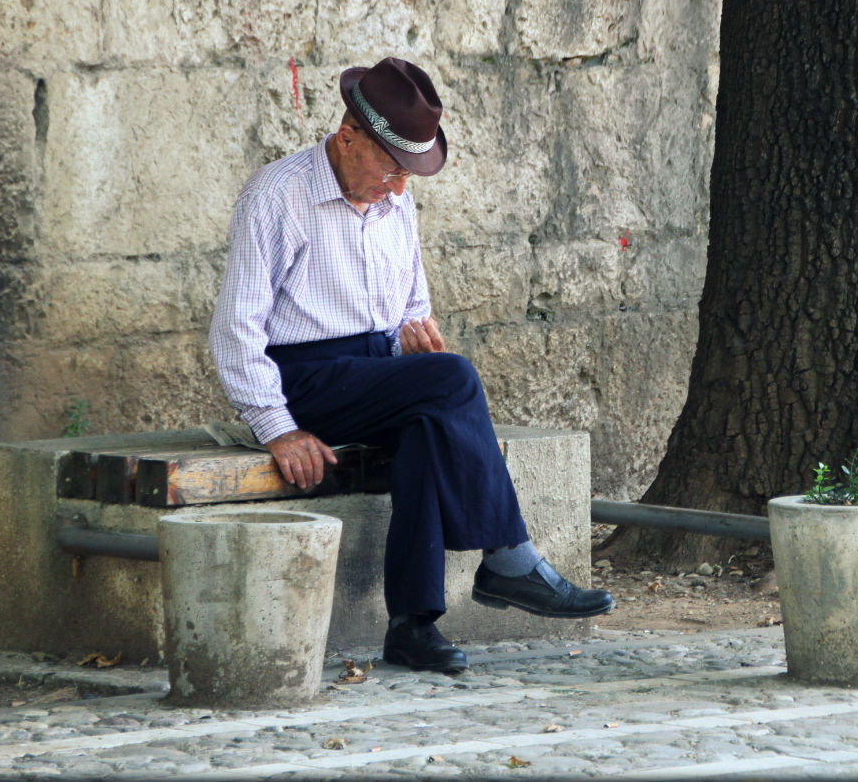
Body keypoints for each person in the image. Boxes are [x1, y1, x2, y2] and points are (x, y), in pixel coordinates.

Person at [209, 56, 614, 674]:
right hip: (305, 378)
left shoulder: (398, 204)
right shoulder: (277, 195)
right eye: (393, 168)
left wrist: (410, 346)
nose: (400, 187)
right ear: (349, 137)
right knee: (452, 379)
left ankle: (412, 626)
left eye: (410, 174)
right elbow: (236, 326)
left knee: (429, 421)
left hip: (375, 373)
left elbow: (410, 308)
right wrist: (277, 425)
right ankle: (509, 558)